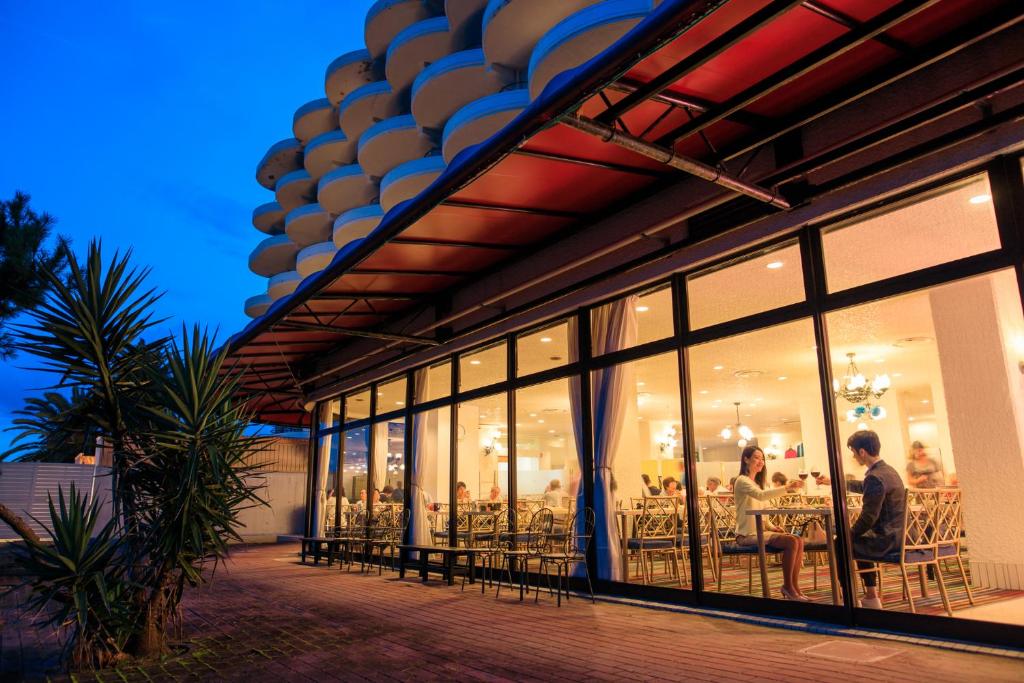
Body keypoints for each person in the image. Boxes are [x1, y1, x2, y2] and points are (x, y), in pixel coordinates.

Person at [817, 430, 905, 610]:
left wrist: (846, 534)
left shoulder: (874, 477)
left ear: (862, 452)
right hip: (902, 537)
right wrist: (834, 481)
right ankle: (871, 596)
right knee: (857, 538)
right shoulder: (889, 471)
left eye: (853, 452)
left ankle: (850, 597)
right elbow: (863, 486)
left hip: (886, 541)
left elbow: (868, 518)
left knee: (842, 543)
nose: (853, 456)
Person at [733, 446, 809, 601]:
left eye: (762, 458)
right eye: (756, 458)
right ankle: (788, 587)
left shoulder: (758, 484)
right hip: (745, 535)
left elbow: (763, 513)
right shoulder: (742, 481)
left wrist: (772, 527)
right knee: (791, 541)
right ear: (746, 459)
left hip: (760, 533)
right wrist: (786, 487)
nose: (760, 461)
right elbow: (761, 496)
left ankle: (794, 587)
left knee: (798, 540)